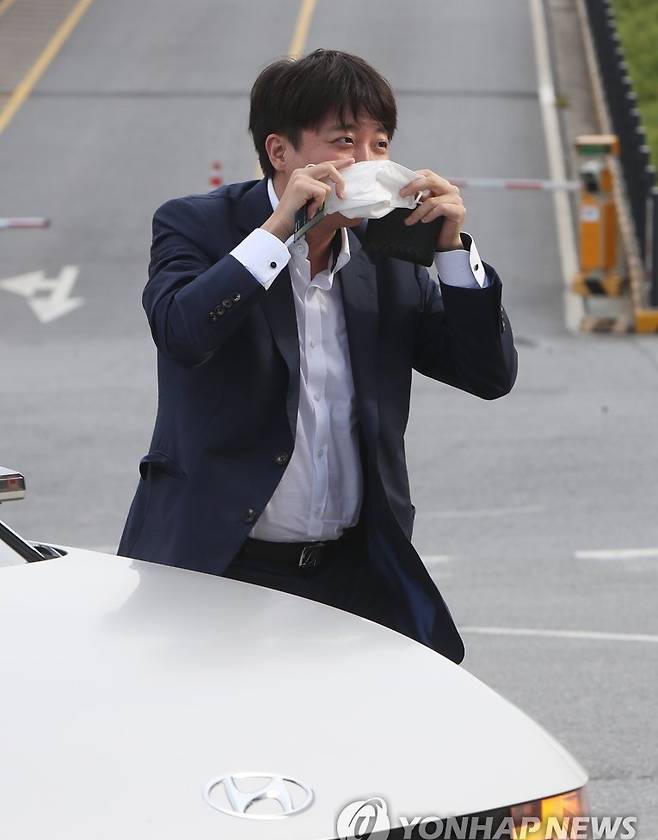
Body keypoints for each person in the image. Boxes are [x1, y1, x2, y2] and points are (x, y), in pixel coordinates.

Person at [117, 49, 517, 663]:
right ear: (281, 152)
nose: (368, 162)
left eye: (380, 145)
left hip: (351, 573)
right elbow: (182, 333)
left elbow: (488, 374)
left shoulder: (386, 254)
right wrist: (278, 232)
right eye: (345, 142)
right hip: (220, 564)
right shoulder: (198, 225)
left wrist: (452, 251)